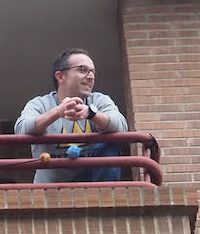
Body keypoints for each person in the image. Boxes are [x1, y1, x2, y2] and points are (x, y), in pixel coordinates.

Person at [14, 48, 126, 183]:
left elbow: (121, 126)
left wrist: (91, 113)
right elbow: (21, 129)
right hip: (50, 193)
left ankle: (106, 199)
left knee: (110, 148)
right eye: (83, 70)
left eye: (93, 72)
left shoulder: (99, 100)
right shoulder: (40, 104)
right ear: (60, 76)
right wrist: (58, 112)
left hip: (94, 190)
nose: (91, 77)